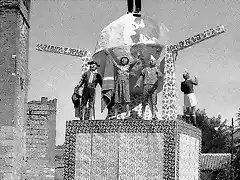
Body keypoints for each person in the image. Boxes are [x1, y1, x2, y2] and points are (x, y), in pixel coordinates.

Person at [106, 49, 137, 119]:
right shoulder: (118, 67)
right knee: (116, 100)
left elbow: (134, 62)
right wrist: (109, 54)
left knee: (126, 99)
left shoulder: (128, 67)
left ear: (127, 61)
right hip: (118, 84)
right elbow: (113, 62)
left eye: (125, 59)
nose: (123, 60)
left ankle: (127, 114)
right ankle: (116, 115)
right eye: (122, 59)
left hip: (125, 84)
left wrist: (137, 54)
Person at [135, 55, 163, 120]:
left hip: (154, 86)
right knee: (144, 100)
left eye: (153, 61)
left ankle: (153, 115)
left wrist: (159, 75)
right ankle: (142, 115)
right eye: (150, 61)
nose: (151, 62)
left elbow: (160, 75)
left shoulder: (156, 69)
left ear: (155, 62)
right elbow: (141, 77)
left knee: (154, 101)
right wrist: (138, 83)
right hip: (146, 85)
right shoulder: (145, 69)